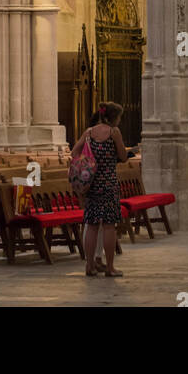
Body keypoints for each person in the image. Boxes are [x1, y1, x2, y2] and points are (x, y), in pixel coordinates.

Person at [71, 101, 127, 277]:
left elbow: (74, 153)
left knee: (92, 225)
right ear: (114, 117)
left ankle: (89, 266)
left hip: (92, 184)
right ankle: (110, 267)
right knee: (109, 226)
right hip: (109, 184)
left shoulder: (89, 132)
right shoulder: (113, 132)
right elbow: (123, 156)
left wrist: (90, 161)